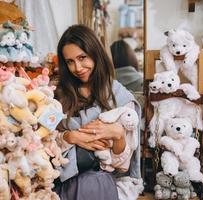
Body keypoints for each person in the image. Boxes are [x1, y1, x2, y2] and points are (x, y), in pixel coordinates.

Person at [54, 24, 142, 200]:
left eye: (82, 57)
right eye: (70, 61)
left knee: (92, 183)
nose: (77, 67)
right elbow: (43, 143)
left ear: (96, 54)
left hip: (100, 183)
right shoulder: (58, 95)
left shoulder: (119, 96)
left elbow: (121, 165)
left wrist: (118, 134)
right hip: (63, 183)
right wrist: (69, 138)